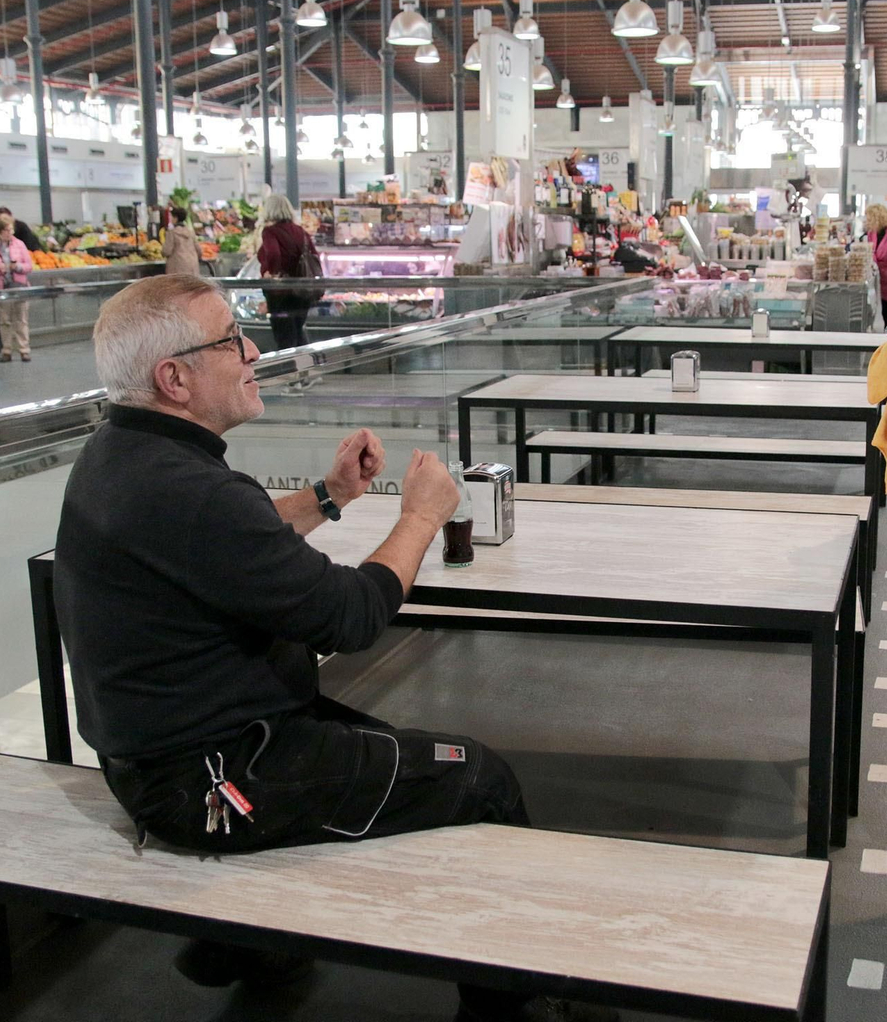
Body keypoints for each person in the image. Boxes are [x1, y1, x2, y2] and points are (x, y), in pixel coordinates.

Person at [55, 275, 606, 1022]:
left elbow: (234, 545)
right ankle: (518, 1009)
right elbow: (350, 618)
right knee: (478, 779)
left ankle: (245, 943)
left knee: (394, 755)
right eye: (228, 339)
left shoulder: (125, 455)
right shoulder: (188, 490)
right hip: (215, 779)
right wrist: (421, 515)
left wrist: (331, 495)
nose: (252, 349)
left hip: (169, 754)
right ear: (174, 378)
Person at [255, 193, 321, 350]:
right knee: (298, 331)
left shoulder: (270, 232)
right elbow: (314, 255)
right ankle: (305, 368)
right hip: (302, 291)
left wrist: (271, 272)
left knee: (284, 336)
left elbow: (273, 253)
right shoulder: (300, 231)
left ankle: (289, 370)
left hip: (280, 292)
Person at [0, 215, 33, 362]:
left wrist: (18, 267)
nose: (10, 233)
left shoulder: (20, 245)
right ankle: (7, 350)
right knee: (5, 320)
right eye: (7, 230)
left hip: (19, 287)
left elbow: (29, 266)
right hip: (0, 289)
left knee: (21, 319)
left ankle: (24, 349)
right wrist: (0, 268)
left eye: (11, 230)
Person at [161, 206, 202, 277]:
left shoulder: (172, 233)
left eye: (172, 217)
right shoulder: (190, 232)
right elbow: (198, 250)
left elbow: (167, 251)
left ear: (176, 218)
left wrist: (162, 252)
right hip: (192, 265)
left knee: (179, 286)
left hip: (178, 266)